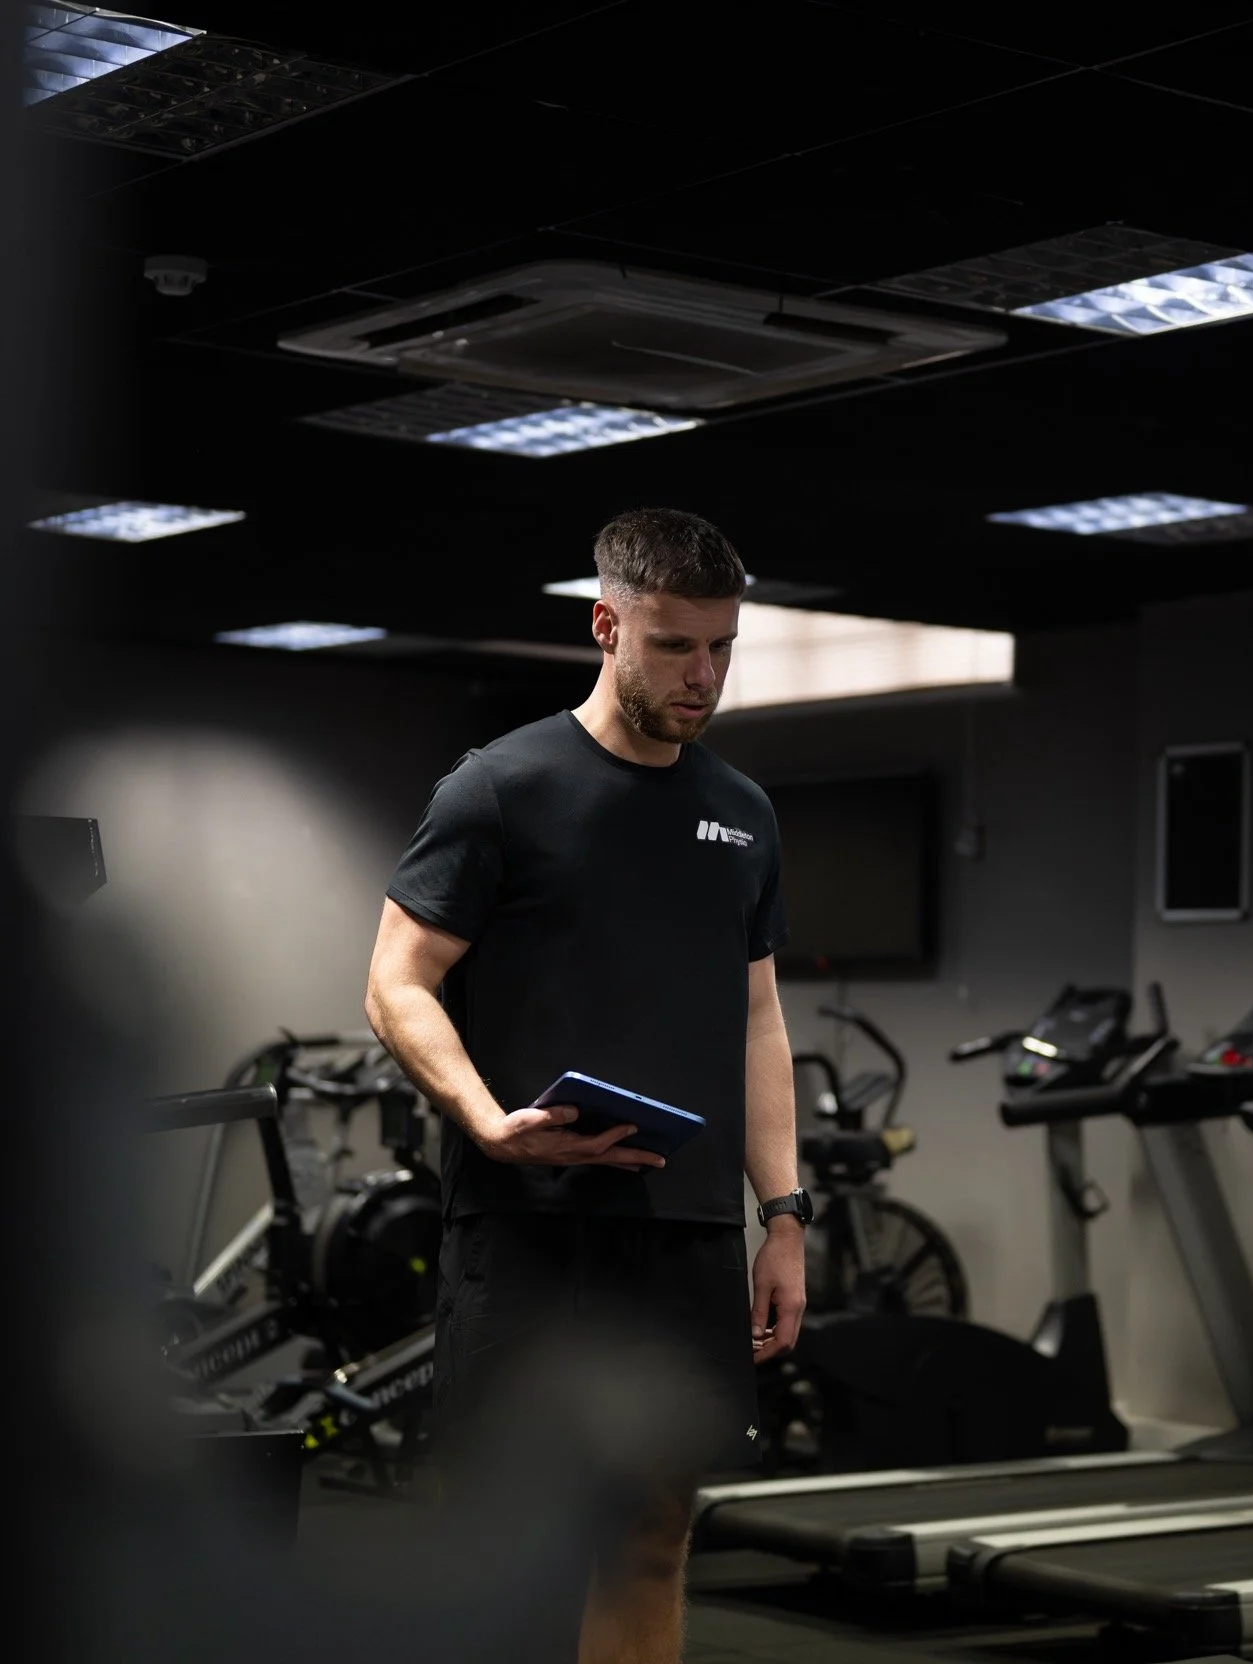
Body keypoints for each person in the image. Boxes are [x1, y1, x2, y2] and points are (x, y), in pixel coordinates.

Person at [364, 507, 807, 1663]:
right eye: (674, 645)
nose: (703, 674)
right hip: (530, 1218)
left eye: (721, 645)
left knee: (654, 1536)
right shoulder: (499, 788)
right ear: (607, 627)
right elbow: (396, 981)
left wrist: (784, 1213)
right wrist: (483, 1120)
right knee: (513, 1542)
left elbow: (759, 1020)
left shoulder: (743, 813)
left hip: (684, 1228)